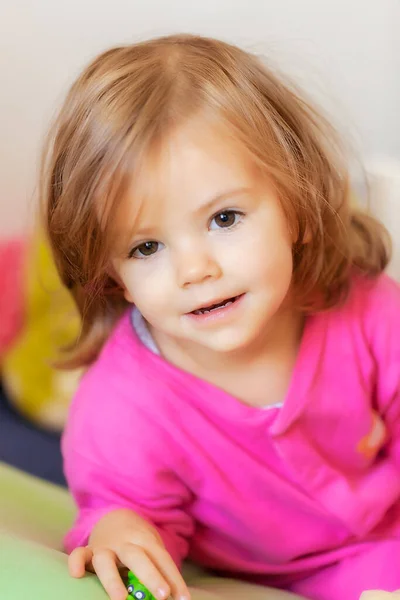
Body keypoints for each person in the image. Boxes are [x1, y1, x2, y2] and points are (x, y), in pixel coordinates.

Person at [41, 34, 400, 600]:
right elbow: (120, 509)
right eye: (146, 248)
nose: (195, 269)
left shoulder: (369, 308)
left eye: (225, 218)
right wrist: (122, 531)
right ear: (114, 278)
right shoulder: (121, 408)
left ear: (295, 206)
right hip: (241, 584)